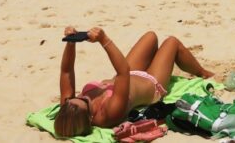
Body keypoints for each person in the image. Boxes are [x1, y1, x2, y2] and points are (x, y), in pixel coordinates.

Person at [53, 26, 214, 137]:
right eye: (84, 101)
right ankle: (203, 72)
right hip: (151, 83)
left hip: (130, 73)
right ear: (89, 118)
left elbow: (66, 71)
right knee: (172, 42)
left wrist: (70, 42)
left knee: (150, 36)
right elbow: (123, 73)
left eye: (75, 98)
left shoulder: (69, 109)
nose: (82, 96)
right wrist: (104, 40)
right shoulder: (108, 112)